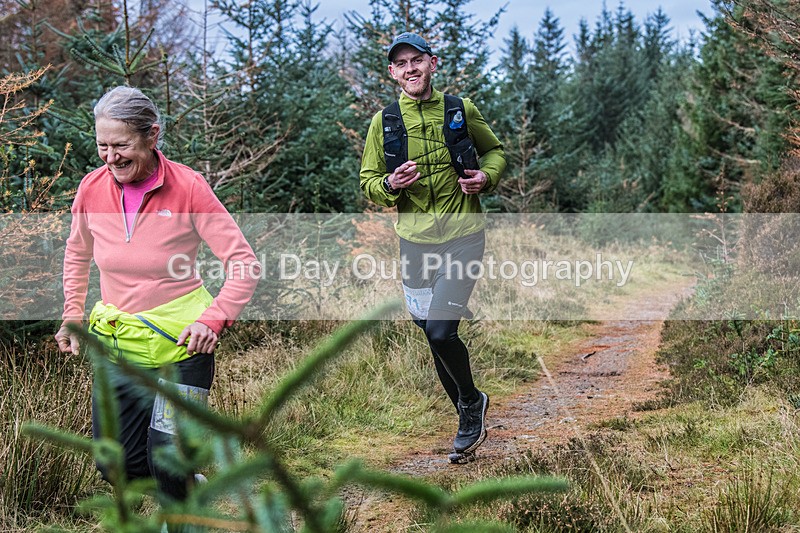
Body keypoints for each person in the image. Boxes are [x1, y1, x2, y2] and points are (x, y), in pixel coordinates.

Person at [55, 86, 260, 510]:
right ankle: (189, 483)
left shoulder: (188, 187)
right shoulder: (91, 188)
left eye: (121, 145)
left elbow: (243, 262)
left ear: (152, 135)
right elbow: (77, 253)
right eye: (102, 146)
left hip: (182, 349)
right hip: (119, 348)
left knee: (168, 462)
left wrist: (214, 318)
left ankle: (181, 494)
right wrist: (72, 313)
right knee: (117, 465)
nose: (110, 158)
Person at [360, 32, 506, 463]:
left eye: (416, 60)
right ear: (392, 73)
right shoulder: (383, 123)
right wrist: (389, 184)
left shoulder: (461, 110)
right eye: (401, 64)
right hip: (415, 244)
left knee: (442, 329)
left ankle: (468, 407)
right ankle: (470, 403)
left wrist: (486, 178)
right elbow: (369, 182)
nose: (410, 69)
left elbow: (495, 152)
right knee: (430, 331)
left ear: (432, 63)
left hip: (464, 235)